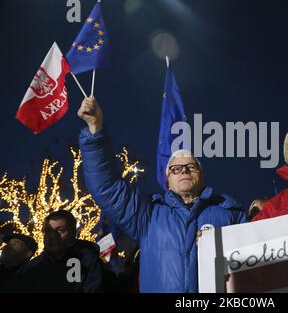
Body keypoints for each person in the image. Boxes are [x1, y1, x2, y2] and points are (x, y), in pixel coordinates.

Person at [77, 96, 247, 293]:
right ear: (168, 179)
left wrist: (221, 250)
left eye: (191, 166)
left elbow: (252, 266)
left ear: (202, 175)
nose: (183, 171)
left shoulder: (230, 212)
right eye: (176, 169)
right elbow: (106, 187)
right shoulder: (147, 214)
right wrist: (94, 130)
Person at [8, 210, 106, 293]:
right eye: (48, 230)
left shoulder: (88, 261)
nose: (52, 236)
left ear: (73, 233)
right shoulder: (32, 267)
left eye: (60, 230)